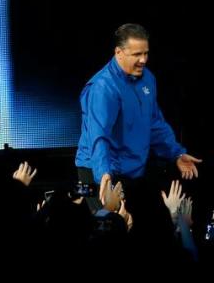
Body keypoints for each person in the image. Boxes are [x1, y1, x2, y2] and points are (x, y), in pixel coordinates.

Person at [76, 23, 201, 213]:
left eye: (146, 53)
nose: (143, 60)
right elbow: (99, 136)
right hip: (102, 170)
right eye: (137, 55)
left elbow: (154, 123)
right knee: (113, 229)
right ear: (119, 53)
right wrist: (103, 175)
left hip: (134, 169)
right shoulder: (103, 87)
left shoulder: (148, 79)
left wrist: (176, 153)